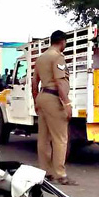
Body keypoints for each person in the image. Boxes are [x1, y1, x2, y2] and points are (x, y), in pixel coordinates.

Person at [32, 30, 76, 185]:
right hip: (53, 98)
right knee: (60, 138)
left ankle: (46, 172)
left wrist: (36, 101)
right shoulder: (58, 57)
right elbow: (60, 82)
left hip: (42, 97)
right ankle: (60, 174)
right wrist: (67, 103)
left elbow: (34, 83)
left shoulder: (41, 58)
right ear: (62, 41)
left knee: (43, 138)